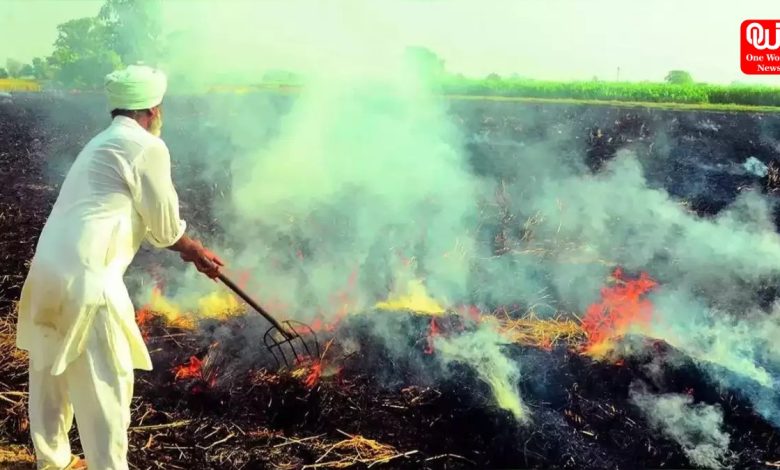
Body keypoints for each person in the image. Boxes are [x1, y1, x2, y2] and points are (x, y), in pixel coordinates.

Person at [15, 65, 223, 470]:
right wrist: (195, 250)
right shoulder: (147, 146)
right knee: (107, 379)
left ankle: (53, 461)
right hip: (89, 278)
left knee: (49, 369)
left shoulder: (100, 142)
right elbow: (164, 227)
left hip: (47, 270)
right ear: (153, 109)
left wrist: (187, 249)